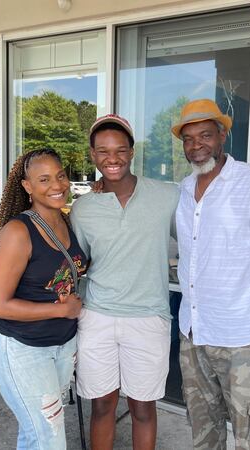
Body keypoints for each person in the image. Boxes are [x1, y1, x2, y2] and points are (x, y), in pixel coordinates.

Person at [172, 99, 250, 450]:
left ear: (222, 135)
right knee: (202, 430)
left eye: (205, 135)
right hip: (194, 333)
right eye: (188, 138)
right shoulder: (183, 189)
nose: (196, 146)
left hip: (242, 338)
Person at [70, 114, 179, 450]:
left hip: (149, 317)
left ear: (132, 152)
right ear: (92, 155)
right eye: (103, 151)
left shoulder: (166, 196)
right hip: (98, 317)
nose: (112, 158)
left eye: (120, 150)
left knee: (143, 407)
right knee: (102, 405)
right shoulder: (83, 208)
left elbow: (196, 238)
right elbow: (81, 263)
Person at [0, 148, 88, 450]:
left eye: (60, 176)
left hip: (62, 345)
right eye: (44, 179)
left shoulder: (68, 223)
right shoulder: (18, 231)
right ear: (28, 187)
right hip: (23, 349)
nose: (57, 185)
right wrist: (60, 311)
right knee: (49, 439)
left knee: (37, 433)